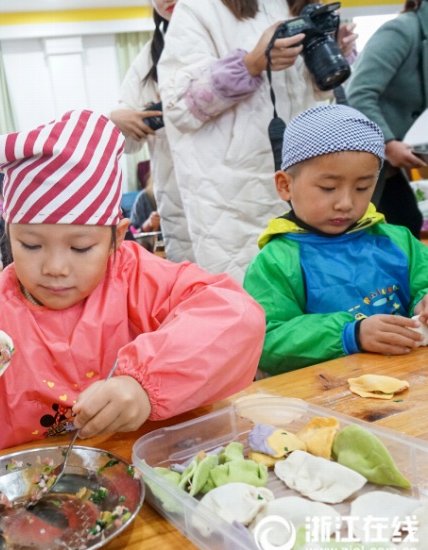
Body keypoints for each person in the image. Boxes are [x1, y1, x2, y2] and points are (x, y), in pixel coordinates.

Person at [0, 110, 266, 481]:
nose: (55, 267)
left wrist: (144, 385)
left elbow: (235, 317)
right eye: (31, 244)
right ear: (7, 234)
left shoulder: (137, 278)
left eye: (80, 247)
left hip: (162, 474)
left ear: (117, 238)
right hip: (41, 498)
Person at [157, 0, 358, 281]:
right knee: (247, 294)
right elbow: (179, 107)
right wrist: (250, 64)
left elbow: (315, 98)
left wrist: (332, 53)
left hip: (308, 181)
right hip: (234, 198)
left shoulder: (301, 5)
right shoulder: (198, 8)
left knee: (317, 291)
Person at [243, 105, 428, 376]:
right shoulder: (276, 262)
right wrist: (351, 334)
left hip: (410, 378)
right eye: (328, 188)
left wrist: (424, 302)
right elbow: (267, 341)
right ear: (285, 185)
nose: (346, 203)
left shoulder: (398, 240)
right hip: (325, 391)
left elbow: (424, 284)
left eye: (362, 188)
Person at [110, 0, 193, 263]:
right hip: (177, 196)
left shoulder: (229, 32)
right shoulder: (148, 59)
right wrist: (117, 118)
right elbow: (125, 139)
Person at [347, 0, 428, 238]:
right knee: (389, 228)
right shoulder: (401, 31)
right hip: (362, 151)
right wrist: (388, 144)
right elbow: (358, 94)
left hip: (389, 159)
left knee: (405, 223)